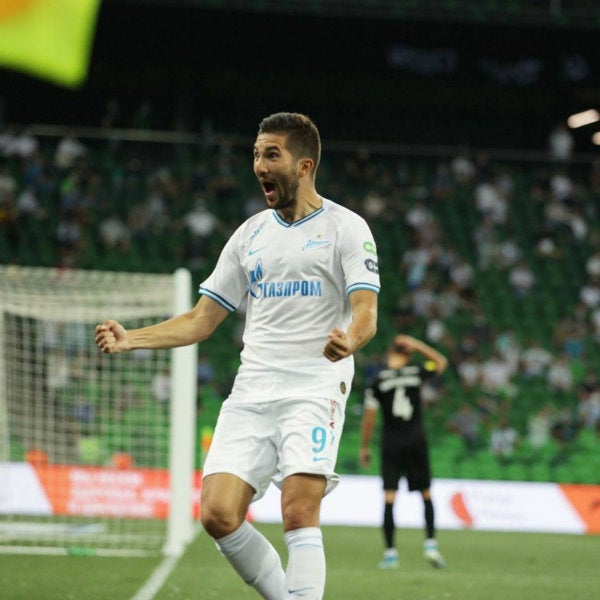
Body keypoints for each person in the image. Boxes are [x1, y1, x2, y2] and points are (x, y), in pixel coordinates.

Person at [95, 112, 380, 599]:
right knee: (217, 513)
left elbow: (366, 312)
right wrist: (132, 339)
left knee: (298, 508)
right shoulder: (250, 235)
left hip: (315, 383)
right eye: (255, 154)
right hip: (253, 388)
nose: (259, 164)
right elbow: (201, 320)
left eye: (271, 154)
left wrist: (350, 340)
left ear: (305, 164)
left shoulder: (345, 228)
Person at [359, 334, 447, 570]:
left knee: (390, 496)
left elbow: (369, 417)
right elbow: (441, 363)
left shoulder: (377, 380)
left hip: (392, 441)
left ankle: (390, 553)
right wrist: (418, 345)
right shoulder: (416, 371)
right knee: (426, 493)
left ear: (390, 353)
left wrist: (364, 446)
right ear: (408, 354)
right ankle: (430, 545)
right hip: (416, 439)